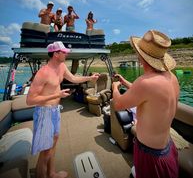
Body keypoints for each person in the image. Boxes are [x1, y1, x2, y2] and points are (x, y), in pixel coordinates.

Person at [26, 41, 99, 178]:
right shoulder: (43, 73)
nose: (66, 53)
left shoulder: (62, 66)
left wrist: (90, 77)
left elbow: (73, 78)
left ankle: (52, 173)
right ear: (55, 54)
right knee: (45, 151)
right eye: (63, 52)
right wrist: (57, 95)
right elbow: (30, 100)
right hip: (44, 113)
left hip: (55, 111)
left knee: (53, 145)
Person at [112, 30, 179, 178]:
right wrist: (124, 82)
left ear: (140, 56)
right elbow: (148, 94)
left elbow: (117, 104)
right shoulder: (172, 78)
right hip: (167, 146)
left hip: (151, 155)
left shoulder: (145, 83)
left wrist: (115, 88)